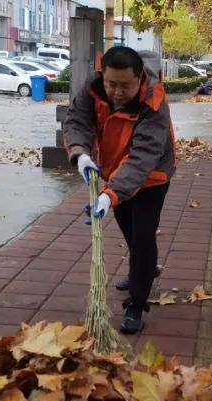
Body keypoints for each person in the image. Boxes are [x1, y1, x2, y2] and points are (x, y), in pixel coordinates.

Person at [63, 46, 176, 334]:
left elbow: (142, 158)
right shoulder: (94, 88)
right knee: (129, 230)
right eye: (112, 84)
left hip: (151, 176)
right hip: (115, 173)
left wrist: (110, 195)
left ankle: (137, 304)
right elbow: (76, 121)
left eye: (125, 85)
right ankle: (143, 270)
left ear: (141, 78)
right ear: (103, 75)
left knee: (142, 236)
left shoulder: (154, 102)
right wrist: (80, 153)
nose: (116, 92)